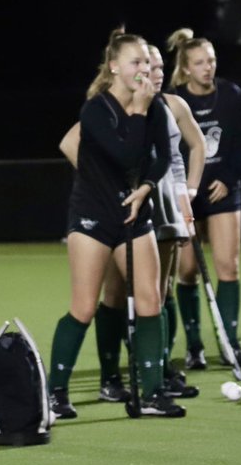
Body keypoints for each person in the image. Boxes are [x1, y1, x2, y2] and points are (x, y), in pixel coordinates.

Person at [46, 29, 183, 418]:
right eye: (136, 62)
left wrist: (147, 187)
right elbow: (125, 154)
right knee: (84, 307)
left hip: (135, 215)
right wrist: (139, 109)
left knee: (150, 300)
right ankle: (55, 392)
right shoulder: (96, 110)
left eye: (147, 62)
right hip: (93, 216)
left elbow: (159, 155)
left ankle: (153, 392)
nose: (144, 69)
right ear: (114, 67)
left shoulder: (154, 106)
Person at [165, 28, 241, 370]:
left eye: (212, 61)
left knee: (227, 267)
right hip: (187, 195)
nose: (208, 68)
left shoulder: (231, 95)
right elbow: (171, 151)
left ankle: (230, 343)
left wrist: (227, 177)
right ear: (186, 68)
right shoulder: (174, 99)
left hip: (223, 190)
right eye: (200, 63)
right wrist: (183, 188)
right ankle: (194, 348)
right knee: (187, 271)